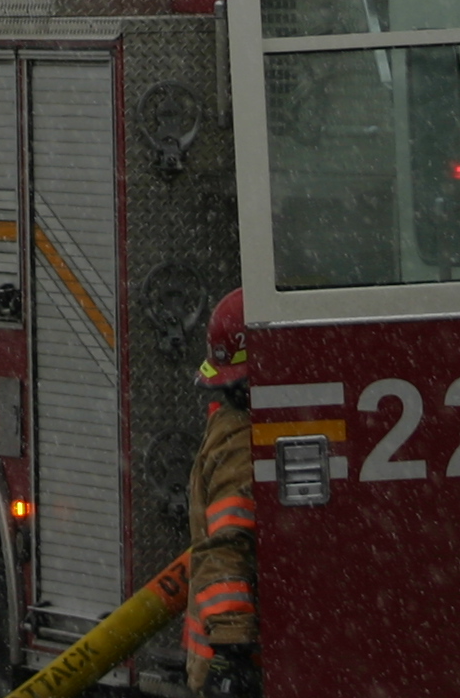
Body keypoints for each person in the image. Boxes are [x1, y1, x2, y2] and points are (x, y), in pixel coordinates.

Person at [186, 289, 259, 698]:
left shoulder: (225, 424)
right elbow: (227, 545)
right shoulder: (243, 444)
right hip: (229, 651)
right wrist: (232, 650)